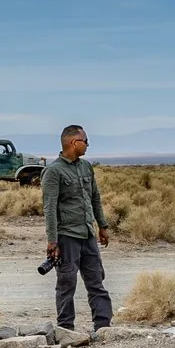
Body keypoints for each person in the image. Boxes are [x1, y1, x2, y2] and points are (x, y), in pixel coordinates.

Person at [40, 124, 112, 331]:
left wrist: (102, 226)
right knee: (66, 284)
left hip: (87, 234)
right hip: (66, 236)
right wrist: (53, 241)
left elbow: (95, 198)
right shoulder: (53, 172)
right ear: (73, 143)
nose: (88, 145)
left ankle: (103, 326)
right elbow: (50, 208)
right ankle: (65, 329)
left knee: (96, 281)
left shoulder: (85, 167)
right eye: (85, 141)